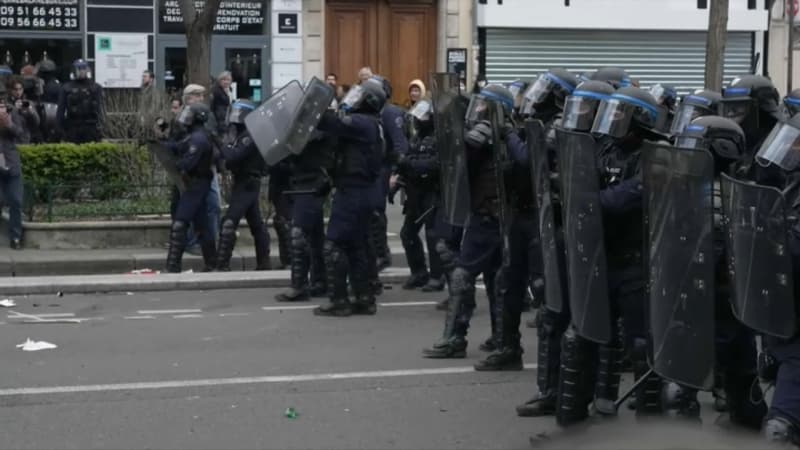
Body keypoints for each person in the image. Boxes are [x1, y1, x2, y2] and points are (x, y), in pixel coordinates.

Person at [421, 84, 521, 358]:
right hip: (489, 220)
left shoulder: (496, 134)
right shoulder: (494, 134)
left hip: (493, 221)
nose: (477, 109)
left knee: (477, 279)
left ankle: (471, 340)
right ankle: (484, 338)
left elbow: (463, 153)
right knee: (481, 279)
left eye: (482, 105)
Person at [313, 77, 386, 317]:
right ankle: (364, 298)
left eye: (358, 95)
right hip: (360, 191)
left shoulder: (362, 123)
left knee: (333, 244)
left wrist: (316, 103)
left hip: (353, 192)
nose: (352, 98)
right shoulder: (370, 123)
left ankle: (339, 300)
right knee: (355, 246)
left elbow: (328, 122)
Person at [216, 100, 271, 272]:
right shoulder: (242, 134)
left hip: (247, 182)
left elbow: (233, 156)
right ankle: (264, 263)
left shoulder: (250, 135)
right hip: (244, 181)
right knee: (256, 225)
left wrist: (219, 144)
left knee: (229, 223)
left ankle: (222, 265)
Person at [396, 98, 444, 292]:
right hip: (415, 193)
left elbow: (435, 165)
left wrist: (410, 165)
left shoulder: (440, 138)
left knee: (433, 236)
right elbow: (408, 157)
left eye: (422, 118)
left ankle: (437, 276)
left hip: (431, 192)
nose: (418, 121)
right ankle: (419, 272)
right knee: (407, 234)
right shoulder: (417, 138)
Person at [162, 103, 217, 272]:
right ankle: (212, 263)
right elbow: (178, 147)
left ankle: (173, 266)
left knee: (180, 222)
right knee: (202, 225)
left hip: (196, 184)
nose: (186, 118)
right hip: (195, 183)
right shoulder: (193, 135)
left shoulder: (198, 139)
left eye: (189, 115)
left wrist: (175, 163)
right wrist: (159, 143)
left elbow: (187, 163)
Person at [0, 98, 27, 249]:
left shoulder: (13, 115)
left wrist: (8, 123)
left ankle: (15, 238)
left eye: (3, 106)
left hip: (11, 165)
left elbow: (20, 133)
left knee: (16, 201)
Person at [57, 59, 103, 144]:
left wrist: (101, 127)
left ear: (87, 70)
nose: (81, 71)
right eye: (79, 68)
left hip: (91, 126)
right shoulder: (66, 88)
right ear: (74, 70)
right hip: (72, 127)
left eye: (83, 68)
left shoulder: (95, 88)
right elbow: (60, 111)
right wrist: (60, 130)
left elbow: (100, 109)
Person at [8, 77, 40, 144]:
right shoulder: (6, 104)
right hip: (9, 140)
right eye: (15, 89)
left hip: (24, 139)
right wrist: (15, 109)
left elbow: (36, 123)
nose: (18, 92)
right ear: (10, 90)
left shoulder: (28, 103)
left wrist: (31, 111)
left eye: (20, 89)